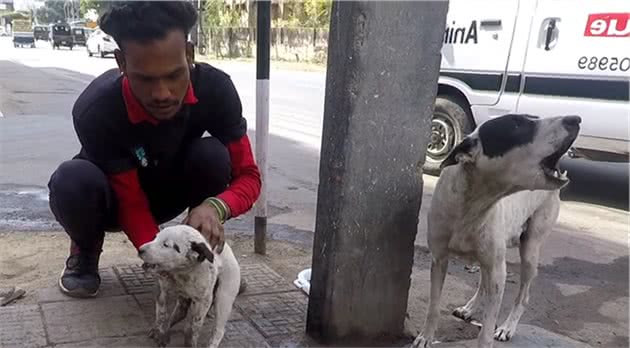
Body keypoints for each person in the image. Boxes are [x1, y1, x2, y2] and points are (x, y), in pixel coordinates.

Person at [47, 1, 261, 298]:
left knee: (213, 155)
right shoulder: (95, 110)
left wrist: (215, 207)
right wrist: (169, 268)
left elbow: (249, 176)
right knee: (72, 180)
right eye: (146, 79)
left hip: (171, 190)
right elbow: (131, 204)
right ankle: (84, 251)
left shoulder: (216, 88)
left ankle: (202, 249)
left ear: (189, 54)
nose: (163, 94)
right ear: (121, 63)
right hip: (113, 201)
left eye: (174, 75)